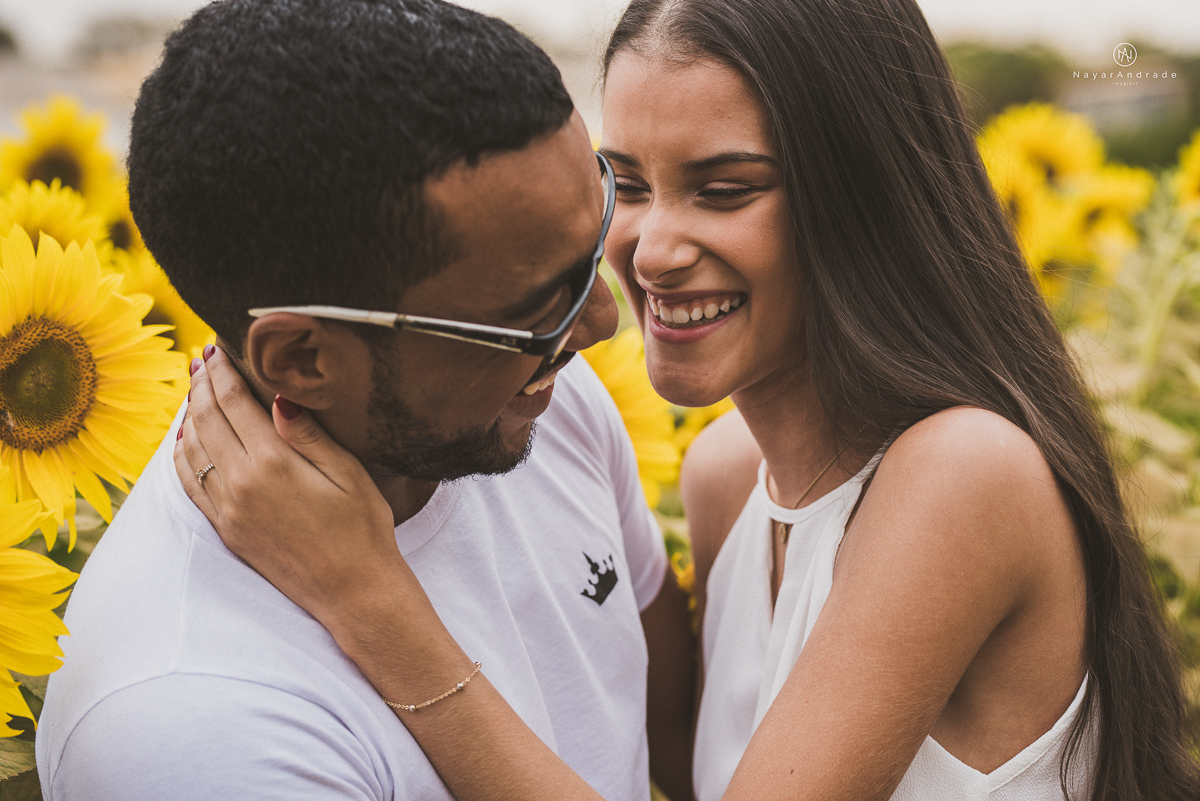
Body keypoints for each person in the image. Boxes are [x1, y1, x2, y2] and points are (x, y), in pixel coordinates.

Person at [176, 0, 1200, 800]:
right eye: (624, 181)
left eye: (724, 188)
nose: (649, 250)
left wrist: (368, 597)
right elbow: (673, 752)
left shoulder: (962, 475)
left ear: (868, 195)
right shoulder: (724, 478)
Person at [34, 1, 697, 799]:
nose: (599, 322)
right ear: (303, 357)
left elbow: (677, 736)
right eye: (535, 310)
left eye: (592, 242)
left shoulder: (544, 400)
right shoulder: (195, 722)